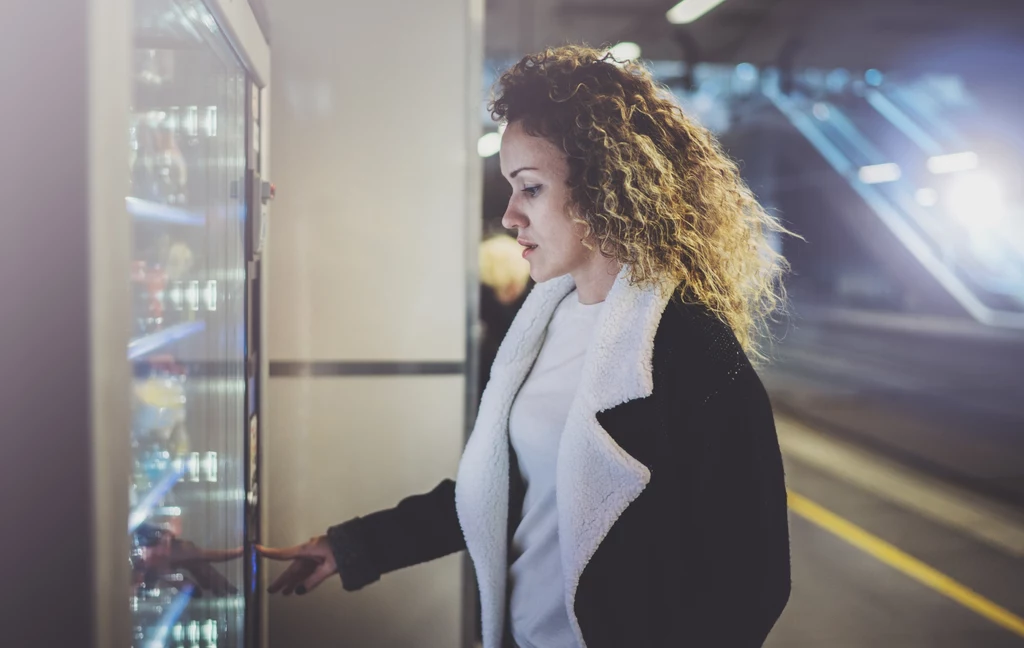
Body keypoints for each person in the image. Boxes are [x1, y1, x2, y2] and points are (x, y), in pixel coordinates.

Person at [257, 44, 793, 648]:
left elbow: (754, 578)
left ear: (603, 191)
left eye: (531, 189)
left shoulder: (689, 347)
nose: (510, 214)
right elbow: (503, 487)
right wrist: (353, 547)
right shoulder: (544, 323)